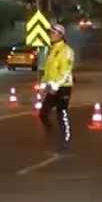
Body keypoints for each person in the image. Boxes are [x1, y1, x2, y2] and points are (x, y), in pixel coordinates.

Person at [37, 22, 75, 154]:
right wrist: (43, 83)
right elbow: (48, 70)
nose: (50, 35)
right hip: (52, 86)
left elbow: (66, 71)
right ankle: (53, 136)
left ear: (61, 35)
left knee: (61, 114)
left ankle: (65, 141)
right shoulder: (51, 50)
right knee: (43, 113)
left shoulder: (67, 51)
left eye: (53, 33)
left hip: (63, 87)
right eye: (50, 32)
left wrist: (56, 85)